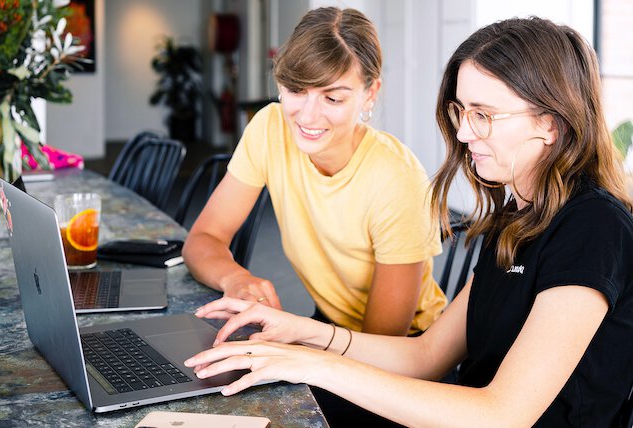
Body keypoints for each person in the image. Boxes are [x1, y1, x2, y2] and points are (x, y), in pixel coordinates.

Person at [183, 17, 633, 427]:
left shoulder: (594, 226)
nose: (461, 133)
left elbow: (504, 415)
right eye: (461, 111)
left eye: (484, 115)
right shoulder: (519, 215)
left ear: (549, 124)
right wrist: (303, 333)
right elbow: (427, 355)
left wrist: (311, 362)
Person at [182, 6, 446, 338]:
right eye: (296, 90)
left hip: (405, 353)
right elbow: (202, 239)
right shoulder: (270, 127)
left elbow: (383, 345)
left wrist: (297, 337)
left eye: (332, 98)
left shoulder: (397, 180)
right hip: (330, 325)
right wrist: (236, 278)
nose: (307, 117)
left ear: (370, 95)